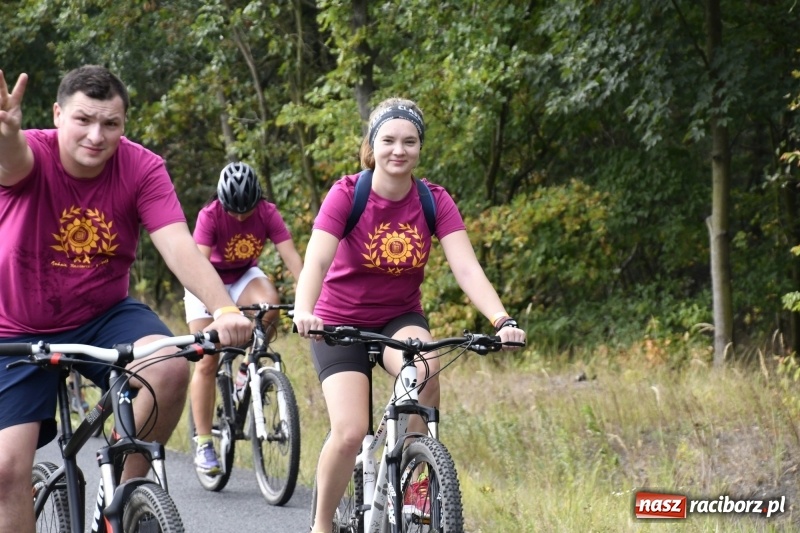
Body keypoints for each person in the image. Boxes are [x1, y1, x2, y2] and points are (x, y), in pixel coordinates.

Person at [0, 65, 253, 532]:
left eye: (110, 124)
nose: (96, 135)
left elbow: (177, 244)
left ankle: (124, 502)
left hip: (105, 313)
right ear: (57, 115)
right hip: (17, 325)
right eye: (83, 120)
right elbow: (12, 163)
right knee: (6, 471)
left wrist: (224, 307)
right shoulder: (29, 148)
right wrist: (4, 134)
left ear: (124, 125)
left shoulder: (141, 167)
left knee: (170, 367)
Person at [292, 97, 527, 532]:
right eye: (388, 140)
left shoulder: (433, 200)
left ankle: (412, 472)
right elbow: (317, 262)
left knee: (427, 369)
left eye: (409, 141)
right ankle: (322, 523)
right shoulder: (347, 194)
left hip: (397, 318)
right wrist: (304, 310)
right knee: (349, 431)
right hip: (338, 323)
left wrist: (502, 319)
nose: (398, 150)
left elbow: (466, 267)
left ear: (420, 147)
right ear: (372, 144)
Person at [185, 160, 303, 475]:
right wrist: (219, 310)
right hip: (207, 280)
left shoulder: (267, 212)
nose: (239, 217)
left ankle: (245, 369)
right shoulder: (209, 215)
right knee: (207, 359)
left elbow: (292, 259)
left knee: (270, 304)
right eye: (234, 211)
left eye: (245, 211)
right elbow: (198, 267)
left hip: (242, 277)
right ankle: (204, 443)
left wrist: (310, 303)